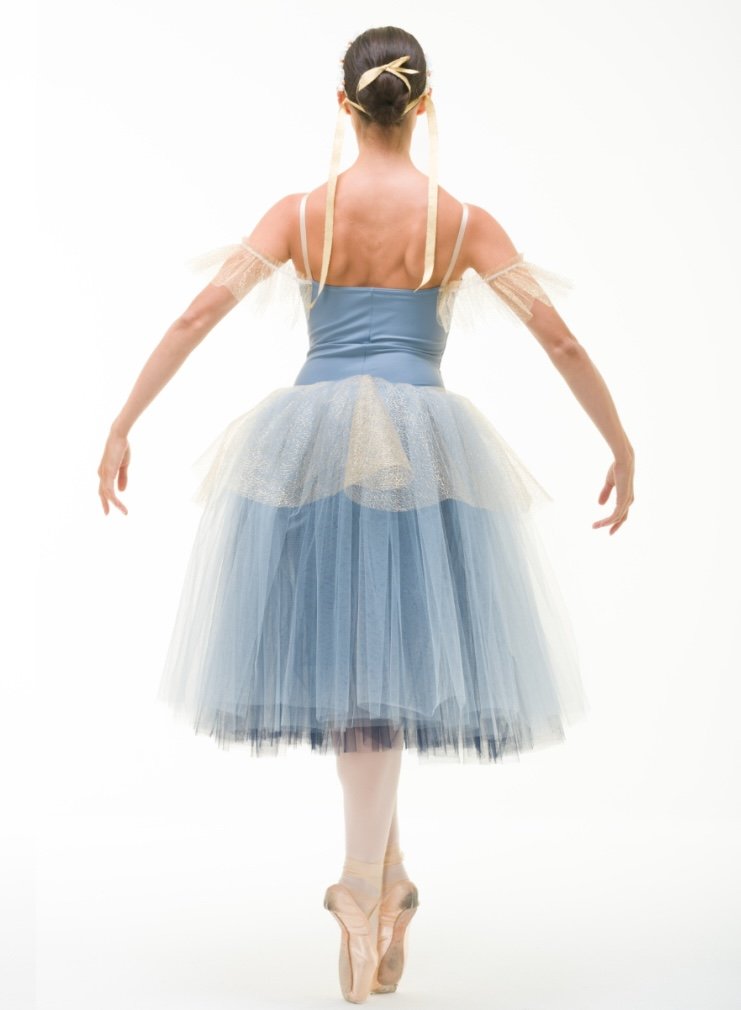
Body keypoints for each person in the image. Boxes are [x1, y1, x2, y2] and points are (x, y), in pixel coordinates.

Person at [97, 25, 635, 1005]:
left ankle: (378, 881)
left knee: (362, 674)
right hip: (422, 451)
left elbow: (194, 315)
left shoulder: (302, 213)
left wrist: (124, 419)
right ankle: (367, 883)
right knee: (374, 677)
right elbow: (558, 340)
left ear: (343, 104)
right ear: (422, 105)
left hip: (311, 448)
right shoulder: (457, 220)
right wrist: (619, 440)